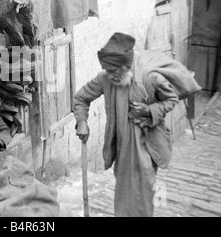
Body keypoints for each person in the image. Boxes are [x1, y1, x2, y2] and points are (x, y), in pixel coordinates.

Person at [73, 32, 200, 217]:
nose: (111, 75)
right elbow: (81, 98)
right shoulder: (105, 78)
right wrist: (81, 121)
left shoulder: (150, 78)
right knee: (124, 193)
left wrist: (149, 110)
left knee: (143, 192)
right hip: (123, 149)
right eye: (107, 70)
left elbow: (171, 100)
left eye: (114, 70)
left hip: (147, 144)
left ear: (126, 66)